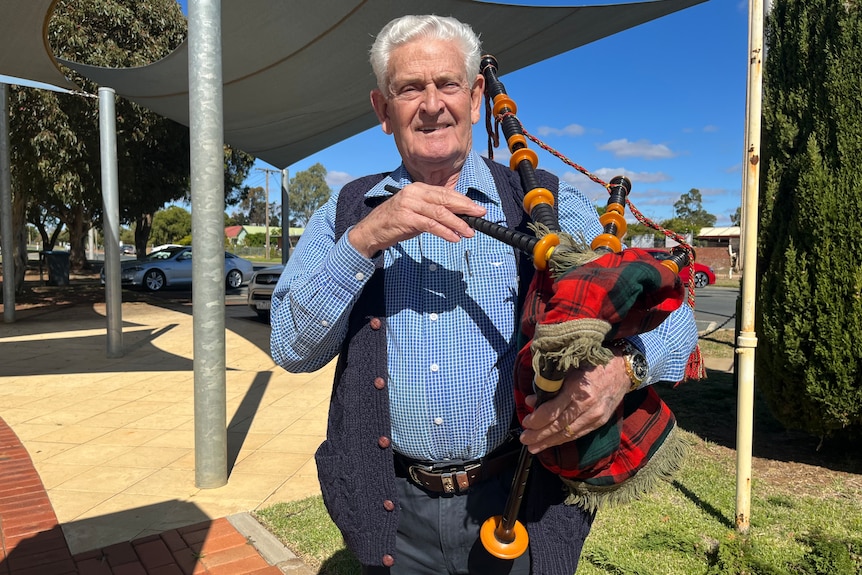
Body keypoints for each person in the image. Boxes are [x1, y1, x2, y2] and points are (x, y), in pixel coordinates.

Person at [270, 14, 698, 575]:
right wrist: (367, 239)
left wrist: (620, 373)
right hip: (394, 508)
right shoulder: (346, 213)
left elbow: (670, 319)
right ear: (382, 109)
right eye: (409, 88)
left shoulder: (543, 204)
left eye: (447, 84)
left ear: (475, 98)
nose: (430, 104)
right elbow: (291, 349)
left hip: (521, 498)